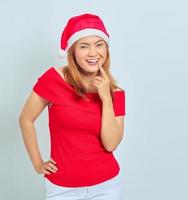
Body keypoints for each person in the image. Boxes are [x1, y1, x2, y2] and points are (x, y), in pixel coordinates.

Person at [19, 13, 126, 200]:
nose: (93, 53)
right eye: (84, 46)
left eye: (99, 45)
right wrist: (37, 162)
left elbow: (111, 144)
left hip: (106, 186)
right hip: (62, 188)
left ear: (106, 49)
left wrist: (106, 99)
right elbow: (26, 119)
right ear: (72, 51)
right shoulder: (53, 80)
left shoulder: (115, 92)